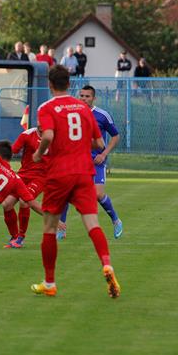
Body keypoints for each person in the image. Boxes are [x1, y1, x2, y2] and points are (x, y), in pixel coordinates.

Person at [30, 65, 120, 298]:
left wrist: (39, 154)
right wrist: (79, 144)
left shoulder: (47, 108)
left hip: (59, 174)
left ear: (50, 85)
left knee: (49, 228)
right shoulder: (83, 108)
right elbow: (100, 145)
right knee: (93, 224)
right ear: (69, 84)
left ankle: (49, 283)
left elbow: (48, 135)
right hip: (83, 173)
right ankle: (107, 264)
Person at [56, 85, 123, 240]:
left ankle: (116, 220)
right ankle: (62, 228)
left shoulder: (102, 115)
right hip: (77, 161)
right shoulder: (72, 114)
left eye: (87, 96)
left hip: (96, 161)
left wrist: (104, 153)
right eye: (82, 96)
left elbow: (116, 136)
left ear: (93, 98)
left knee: (98, 194)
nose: (84, 99)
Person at [2, 127, 49, 249]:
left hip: (40, 178)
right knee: (6, 204)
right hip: (23, 175)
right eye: (39, 119)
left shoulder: (54, 136)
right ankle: (14, 236)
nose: (40, 123)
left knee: (24, 201)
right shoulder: (27, 135)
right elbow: (13, 150)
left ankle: (21, 238)